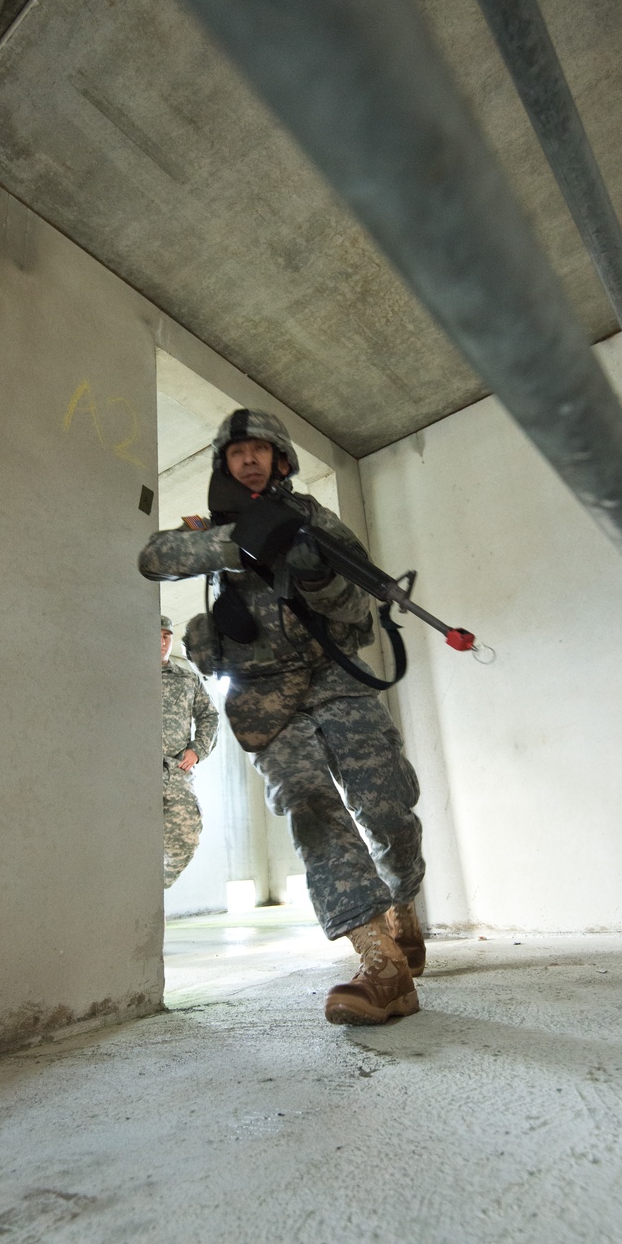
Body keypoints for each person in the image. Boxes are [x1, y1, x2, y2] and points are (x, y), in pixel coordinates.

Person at [139, 410, 426, 1025]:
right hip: (266, 698)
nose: (248, 458)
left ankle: (402, 907)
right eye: (236, 451)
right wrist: (241, 540)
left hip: (337, 682)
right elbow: (153, 557)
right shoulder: (213, 530)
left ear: (281, 460)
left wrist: (315, 571)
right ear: (224, 463)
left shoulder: (317, 520)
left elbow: (360, 613)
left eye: (260, 450)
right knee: (311, 809)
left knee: (387, 811)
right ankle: (379, 961)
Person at [160, 614, 219, 890]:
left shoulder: (186, 678)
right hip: (130, 772)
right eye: (156, 636)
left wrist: (197, 750)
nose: (161, 642)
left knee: (186, 837)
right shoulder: (126, 675)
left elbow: (209, 715)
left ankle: (153, 890)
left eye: (166, 637)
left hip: (174, 770)